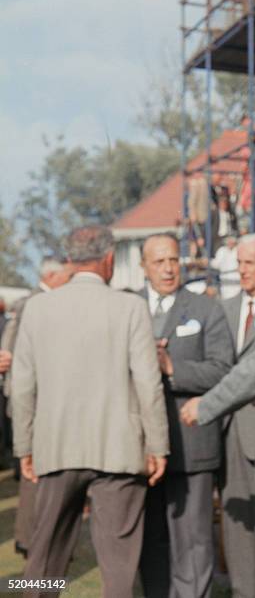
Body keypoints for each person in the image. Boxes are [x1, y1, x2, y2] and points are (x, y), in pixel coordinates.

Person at [11, 225, 169, 598]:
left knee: (43, 556)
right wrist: (158, 445)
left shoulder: (37, 307)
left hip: (55, 447)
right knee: (118, 566)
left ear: (70, 259)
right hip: (119, 450)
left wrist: (24, 447)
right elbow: (148, 382)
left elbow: (21, 386)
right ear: (109, 259)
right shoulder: (131, 306)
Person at [180, 233, 255, 598]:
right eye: (239, 264)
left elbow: (252, 372)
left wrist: (208, 405)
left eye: (250, 264)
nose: (243, 271)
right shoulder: (224, 309)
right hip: (229, 434)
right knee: (238, 527)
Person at [137, 232, 234, 598]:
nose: (167, 269)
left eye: (173, 260)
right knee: (151, 540)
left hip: (192, 446)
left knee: (192, 540)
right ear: (144, 267)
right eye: (159, 262)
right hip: (142, 448)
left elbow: (222, 369)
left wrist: (172, 367)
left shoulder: (206, 308)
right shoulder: (128, 308)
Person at [0, 256, 73, 557]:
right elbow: (13, 353)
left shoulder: (36, 302)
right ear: (53, 276)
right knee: (35, 474)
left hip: (38, 402)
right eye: (68, 276)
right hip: (36, 404)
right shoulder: (35, 303)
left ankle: (35, 541)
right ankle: (33, 542)